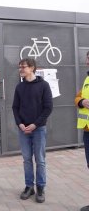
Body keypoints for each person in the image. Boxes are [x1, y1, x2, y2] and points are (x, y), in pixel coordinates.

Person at [12, 58, 53, 203]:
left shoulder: (44, 85)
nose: (21, 70)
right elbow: (15, 107)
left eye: (23, 67)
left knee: (40, 160)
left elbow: (48, 108)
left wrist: (35, 124)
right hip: (23, 130)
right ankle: (29, 186)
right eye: (20, 67)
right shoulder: (19, 87)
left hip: (39, 129)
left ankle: (41, 187)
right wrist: (20, 124)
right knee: (27, 160)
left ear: (32, 68)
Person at [75, 51, 89, 211]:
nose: (86, 61)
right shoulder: (87, 79)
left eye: (88, 58)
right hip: (87, 131)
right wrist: (82, 101)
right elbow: (77, 97)